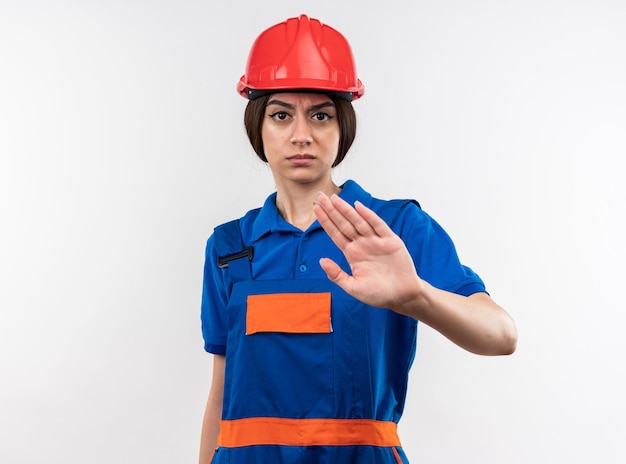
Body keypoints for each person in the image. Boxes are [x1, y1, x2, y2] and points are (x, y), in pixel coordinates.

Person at [198, 14, 517, 464]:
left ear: (342, 127)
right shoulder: (230, 247)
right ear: (258, 127)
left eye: (321, 115)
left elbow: (501, 335)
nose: (301, 135)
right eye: (281, 114)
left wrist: (418, 297)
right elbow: (220, 396)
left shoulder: (394, 229)